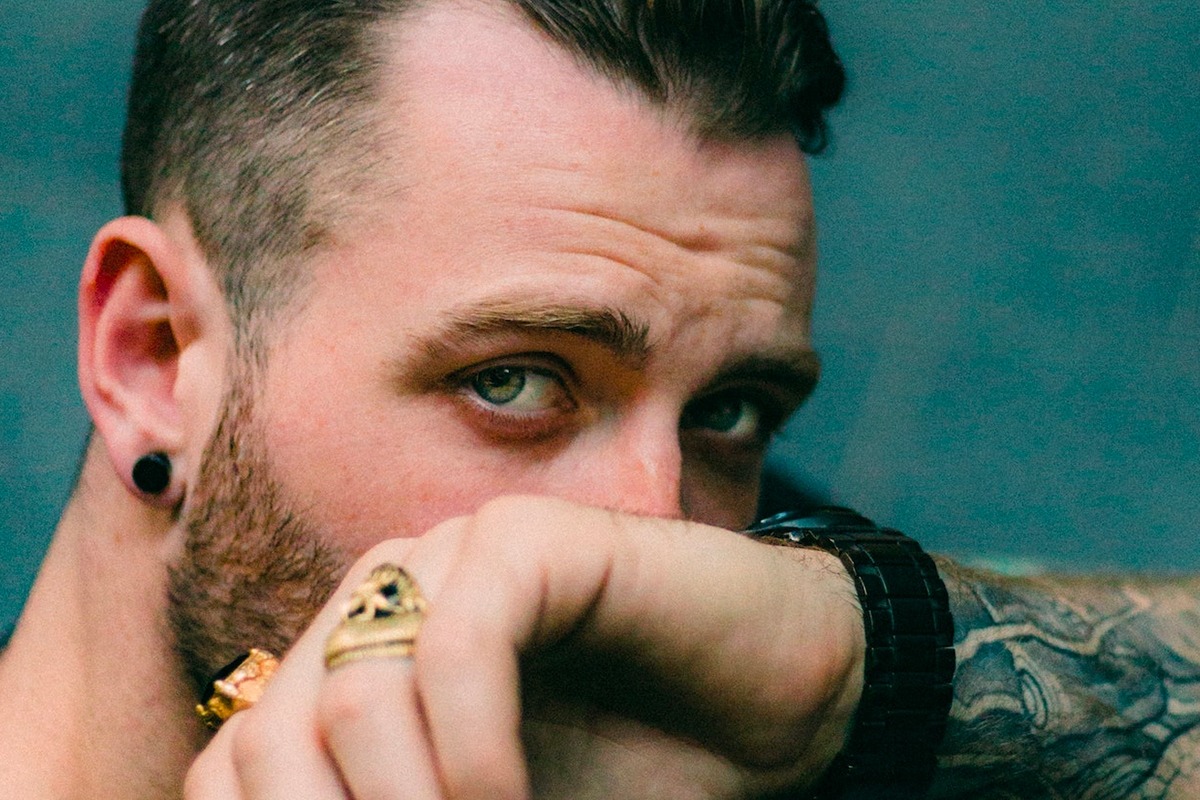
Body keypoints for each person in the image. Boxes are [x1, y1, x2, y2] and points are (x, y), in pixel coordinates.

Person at [0, 1, 1197, 798]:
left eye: (728, 410)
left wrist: (857, 667)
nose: (655, 533)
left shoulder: (777, 635)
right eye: (515, 382)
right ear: (152, 358)